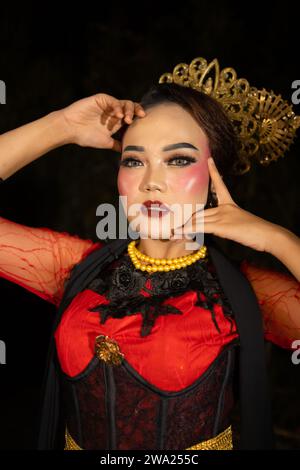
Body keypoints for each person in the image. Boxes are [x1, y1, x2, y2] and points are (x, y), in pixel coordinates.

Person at [0, 59, 299, 450]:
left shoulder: (245, 294)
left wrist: (278, 239)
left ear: (215, 178)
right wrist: (61, 127)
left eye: (178, 160)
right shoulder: (75, 268)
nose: (151, 181)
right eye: (134, 160)